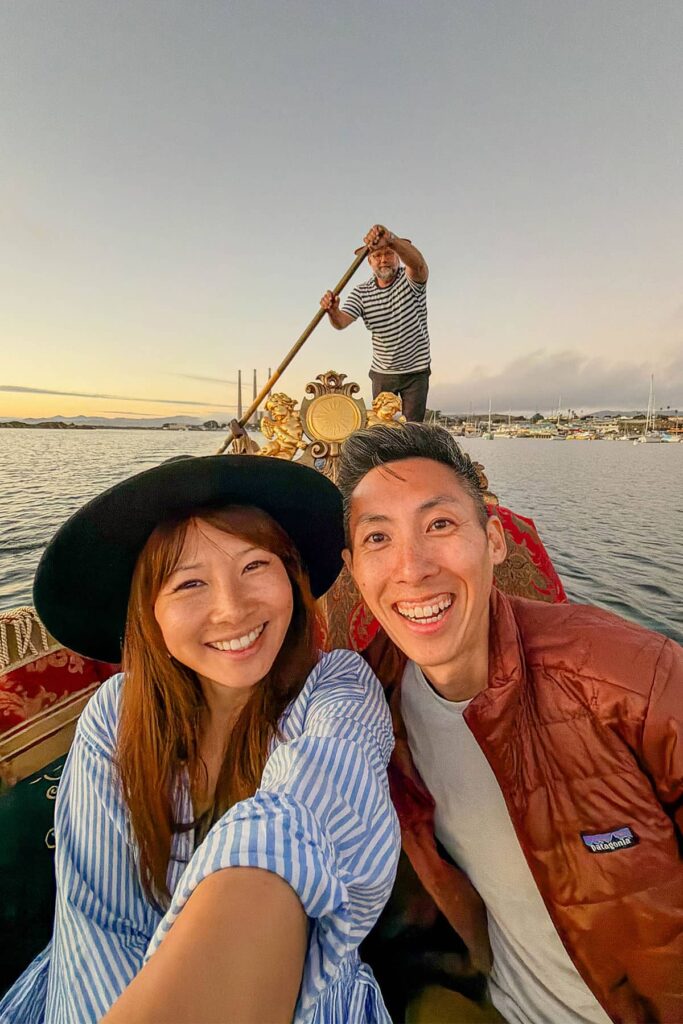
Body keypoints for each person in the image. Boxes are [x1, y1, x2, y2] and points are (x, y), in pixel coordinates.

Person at [0, 454, 399, 1024]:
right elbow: (98, 928)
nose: (231, 610)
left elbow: (307, 816)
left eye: (255, 565)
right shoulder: (115, 717)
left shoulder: (336, 692)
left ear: (292, 577)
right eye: (189, 582)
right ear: (150, 613)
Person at [338, 423, 683, 1024]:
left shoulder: (628, 678)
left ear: (494, 540)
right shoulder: (370, 706)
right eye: (377, 538)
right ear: (353, 569)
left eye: (439, 525)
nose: (411, 568)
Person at [320, 224, 431, 422]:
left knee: (414, 429)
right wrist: (333, 311)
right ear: (369, 262)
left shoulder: (410, 279)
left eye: (388, 254)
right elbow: (341, 322)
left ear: (397, 256)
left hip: (416, 370)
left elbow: (419, 265)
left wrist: (391, 240)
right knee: (380, 429)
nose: (383, 260)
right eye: (377, 256)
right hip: (382, 372)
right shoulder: (361, 293)